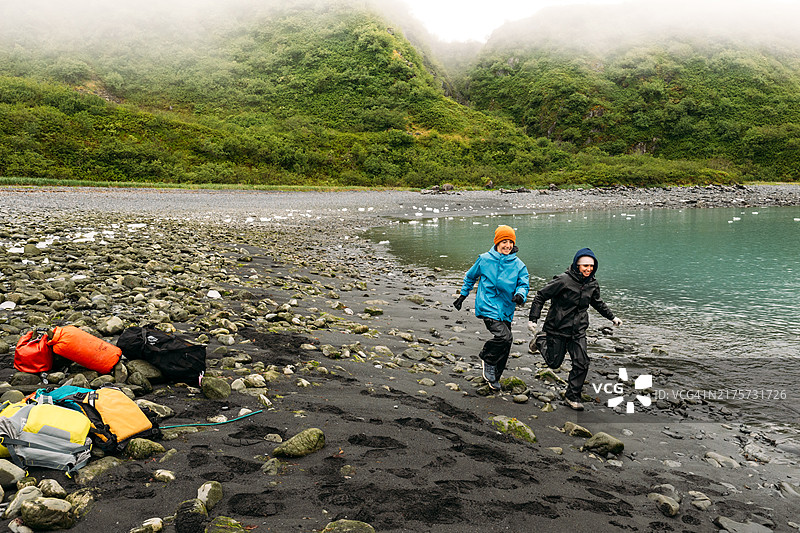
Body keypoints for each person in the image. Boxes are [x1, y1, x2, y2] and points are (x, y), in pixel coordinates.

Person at [528, 248, 622, 410]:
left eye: (591, 266)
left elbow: (597, 303)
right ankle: (540, 339)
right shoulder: (563, 280)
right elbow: (540, 296)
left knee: (582, 362)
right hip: (556, 328)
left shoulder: (592, 283)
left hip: (578, 331)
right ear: (577, 265)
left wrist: (612, 317)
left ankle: (572, 396)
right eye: (585, 265)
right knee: (554, 363)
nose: (588, 269)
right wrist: (533, 318)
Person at [453, 225, 529, 390]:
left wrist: (520, 295)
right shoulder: (485, 259)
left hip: (507, 309)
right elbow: (470, 277)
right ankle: (487, 358)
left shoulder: (518, 264)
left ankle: (495, 377)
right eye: (504, 241)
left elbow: (524, 283)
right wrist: (462, 296)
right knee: (504, 338)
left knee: (507, 343)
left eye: (510, 242)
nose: (507, 245)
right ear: (497, 242)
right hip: (487, 304)